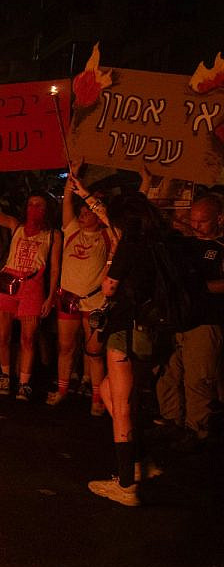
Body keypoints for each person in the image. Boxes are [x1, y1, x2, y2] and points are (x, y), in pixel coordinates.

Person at [89, 192, 167, 506]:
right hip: (151, 329)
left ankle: (125, 485)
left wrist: (111, 267)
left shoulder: (130, 245)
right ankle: (140, 461)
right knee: (113, 392)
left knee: (121, 405)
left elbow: (110, 286)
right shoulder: (159, 242)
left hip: (125, 328)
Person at [0, 170, 61, 401]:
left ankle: (24, 383)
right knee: (3, 335)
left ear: (47, 210)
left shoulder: (53, 235)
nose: (34, 208)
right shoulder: (15, 225)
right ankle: (6, 375)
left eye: (39, 205)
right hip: (8, 280)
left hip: (33, 284)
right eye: (31, 204)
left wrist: (50, 296)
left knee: (28, 338)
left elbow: (54, 267)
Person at [156, 193, 224, 449]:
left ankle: (197, 430)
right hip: (179, 320)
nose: (195, 226)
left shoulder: (219, 248)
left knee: (197, 379)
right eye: (193, 220)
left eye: (202, 221)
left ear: (219, 219)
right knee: (170, 372)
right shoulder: (186, 244)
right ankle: (172, 420)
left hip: (206, 321)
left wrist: (197, 288)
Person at [50, 163, 111, 412]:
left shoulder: (108, 234)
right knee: (65, 347)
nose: (84, 213)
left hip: (94, 301)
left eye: (89, 210)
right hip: (68, 298)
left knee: (94, 351)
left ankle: (97, 399)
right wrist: (70, 177)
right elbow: (66, 203)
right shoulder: (72, 229)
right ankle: (62, 389)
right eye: (82, 210)